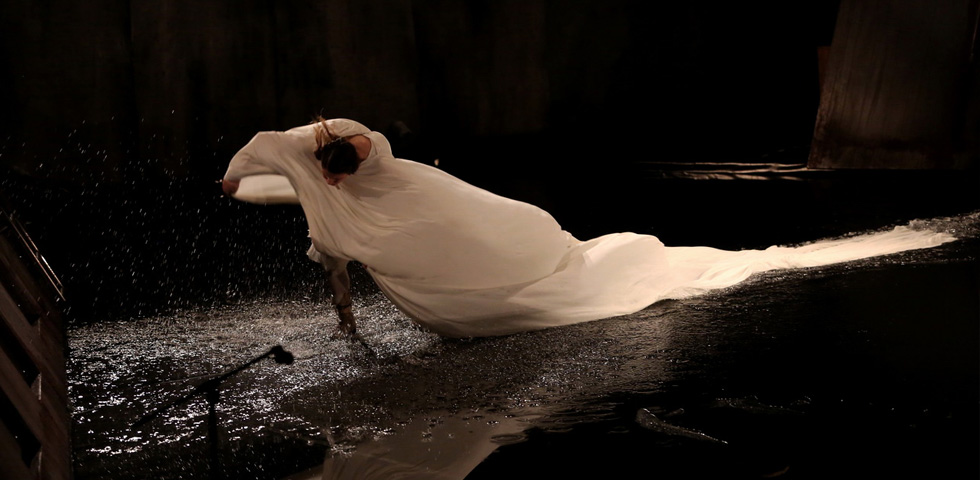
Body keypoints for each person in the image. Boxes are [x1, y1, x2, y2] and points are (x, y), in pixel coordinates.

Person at [222, 117, 955, 339]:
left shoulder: (356, 144)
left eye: (334, 177)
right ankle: (352, 317)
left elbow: (359, 153)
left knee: (496, 232)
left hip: (419, 198)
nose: (330, 184)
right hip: (380, 211)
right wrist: (233, 179)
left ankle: (518, 273)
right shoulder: (313, 167)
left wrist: (340, 174)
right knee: (346, 249)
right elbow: (260, 152)